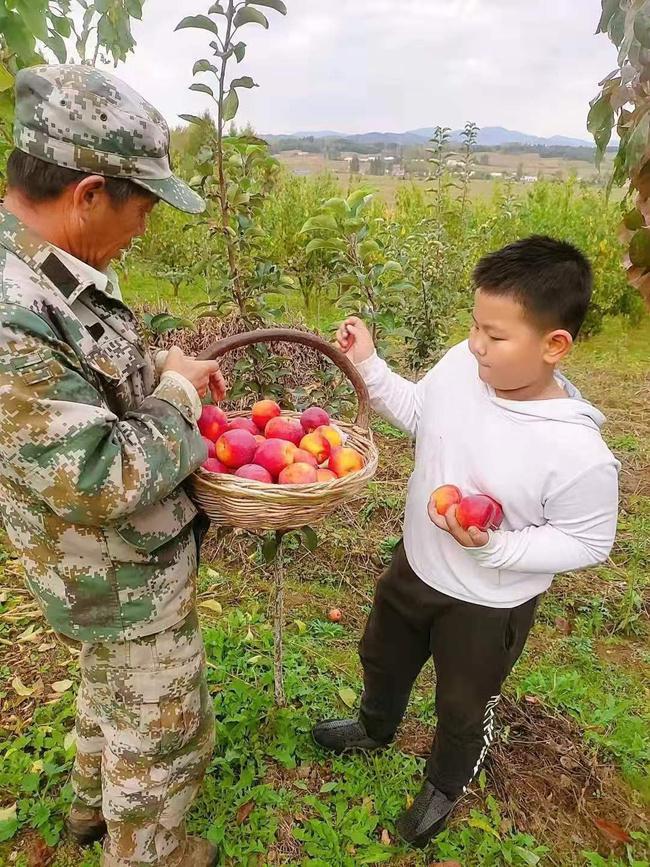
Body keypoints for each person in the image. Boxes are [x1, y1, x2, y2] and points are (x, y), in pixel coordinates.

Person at [313, 236, 620, 849]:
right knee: (382, 655)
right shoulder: (463, 363)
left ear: (555, 344)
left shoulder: (578, 454)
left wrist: (496, 551)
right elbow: (423, 413)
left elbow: (589, 543)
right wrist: (370, 366)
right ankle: (375, 727)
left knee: (463, 704)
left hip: (487, 602)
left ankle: (445, 784)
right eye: (474, 325)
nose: (476, 344)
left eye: (496, 336)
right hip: (417, 564)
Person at [0, 65, 225, 867]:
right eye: (144, 205)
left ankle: (91, 808)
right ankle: (149, 850)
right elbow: (98, 475)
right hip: (113, 570)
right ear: (89, 192)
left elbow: (79, 390)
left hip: (96, 572)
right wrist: (174, 399)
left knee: (111, 689)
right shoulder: (12, 312)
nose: (146, 226)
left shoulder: (47, 267)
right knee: (161, 729)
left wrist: (150, 374)